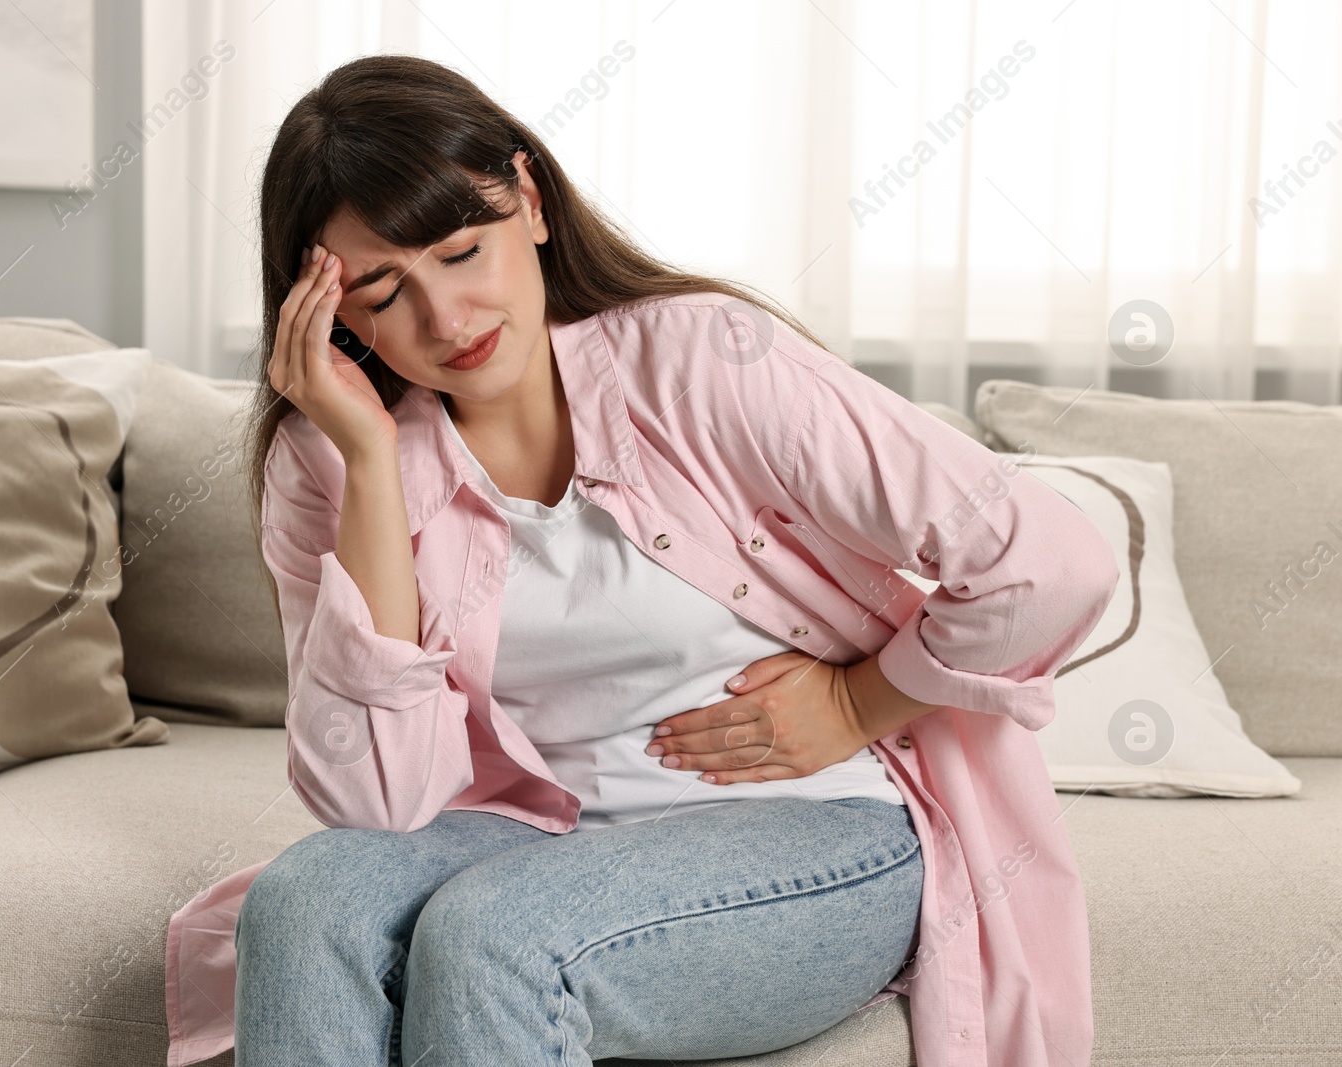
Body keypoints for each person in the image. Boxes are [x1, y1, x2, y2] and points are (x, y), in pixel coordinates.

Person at [162, 54, 1118, 1067]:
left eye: (460, 250)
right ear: (332, 314)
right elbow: (375, 803)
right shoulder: (329, 459)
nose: (445, 320)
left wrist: (857, 703)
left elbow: (1049, 562)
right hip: (541, 831)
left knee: (495, 930)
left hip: (819, 830)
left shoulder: (702, 362)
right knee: (308, 895)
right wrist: (366, 463)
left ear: (528, 199)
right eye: (384, 291)